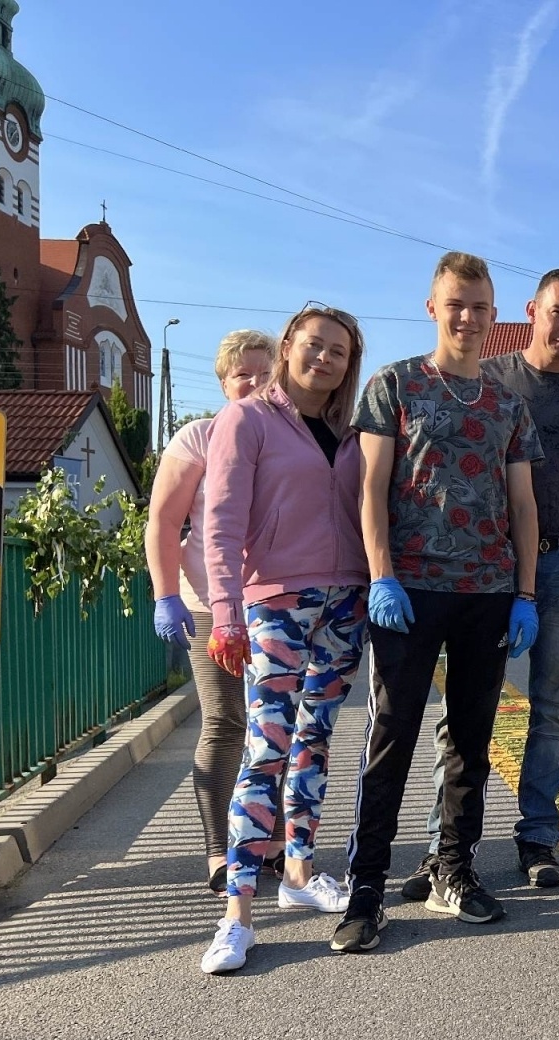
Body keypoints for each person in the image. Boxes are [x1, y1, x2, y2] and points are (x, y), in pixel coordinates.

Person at [399, 267, 559, 899]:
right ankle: (443, 848)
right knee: (464, 715)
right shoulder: (491, 381)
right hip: (486, 567)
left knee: (554, 712)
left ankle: (538, 836)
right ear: (532, 312)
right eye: (557, 313)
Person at [337, 252, 543, 953]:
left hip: (487, 594)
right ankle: (366, 887)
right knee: (389, 738)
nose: (468, 316)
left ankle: (454, 868)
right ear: (434, 308)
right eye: (456, 303)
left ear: (494, 314)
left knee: (472, 742)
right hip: (410, 591)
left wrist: (525, 592)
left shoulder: (509, 405)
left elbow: (522, 503)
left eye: (479, 305)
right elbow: (370, 488)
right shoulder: (394, 385)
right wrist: (381, 575)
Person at [197, 307, 370, 973]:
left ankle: (298, 873)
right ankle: (237, 913)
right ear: (288, 346)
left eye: (339, 352)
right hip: (275, 602)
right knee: (264, 749)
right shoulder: (247, 420)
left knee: (315, 741)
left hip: (345, 602)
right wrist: (226, 612)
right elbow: (221, 520)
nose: (325, 359)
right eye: (315, 345)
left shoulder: (349, 433)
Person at [145, 330, 274, 896]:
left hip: (276, 607)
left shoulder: (283, 436)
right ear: (224, 383)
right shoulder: (198, 437)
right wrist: (165, 594)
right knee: (225, 725)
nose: (254, 382)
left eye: (264, 372)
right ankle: (218, 850)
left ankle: (267, 841)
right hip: (211, 611)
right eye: (242, 374)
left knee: (276, 728)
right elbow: (165, 522)